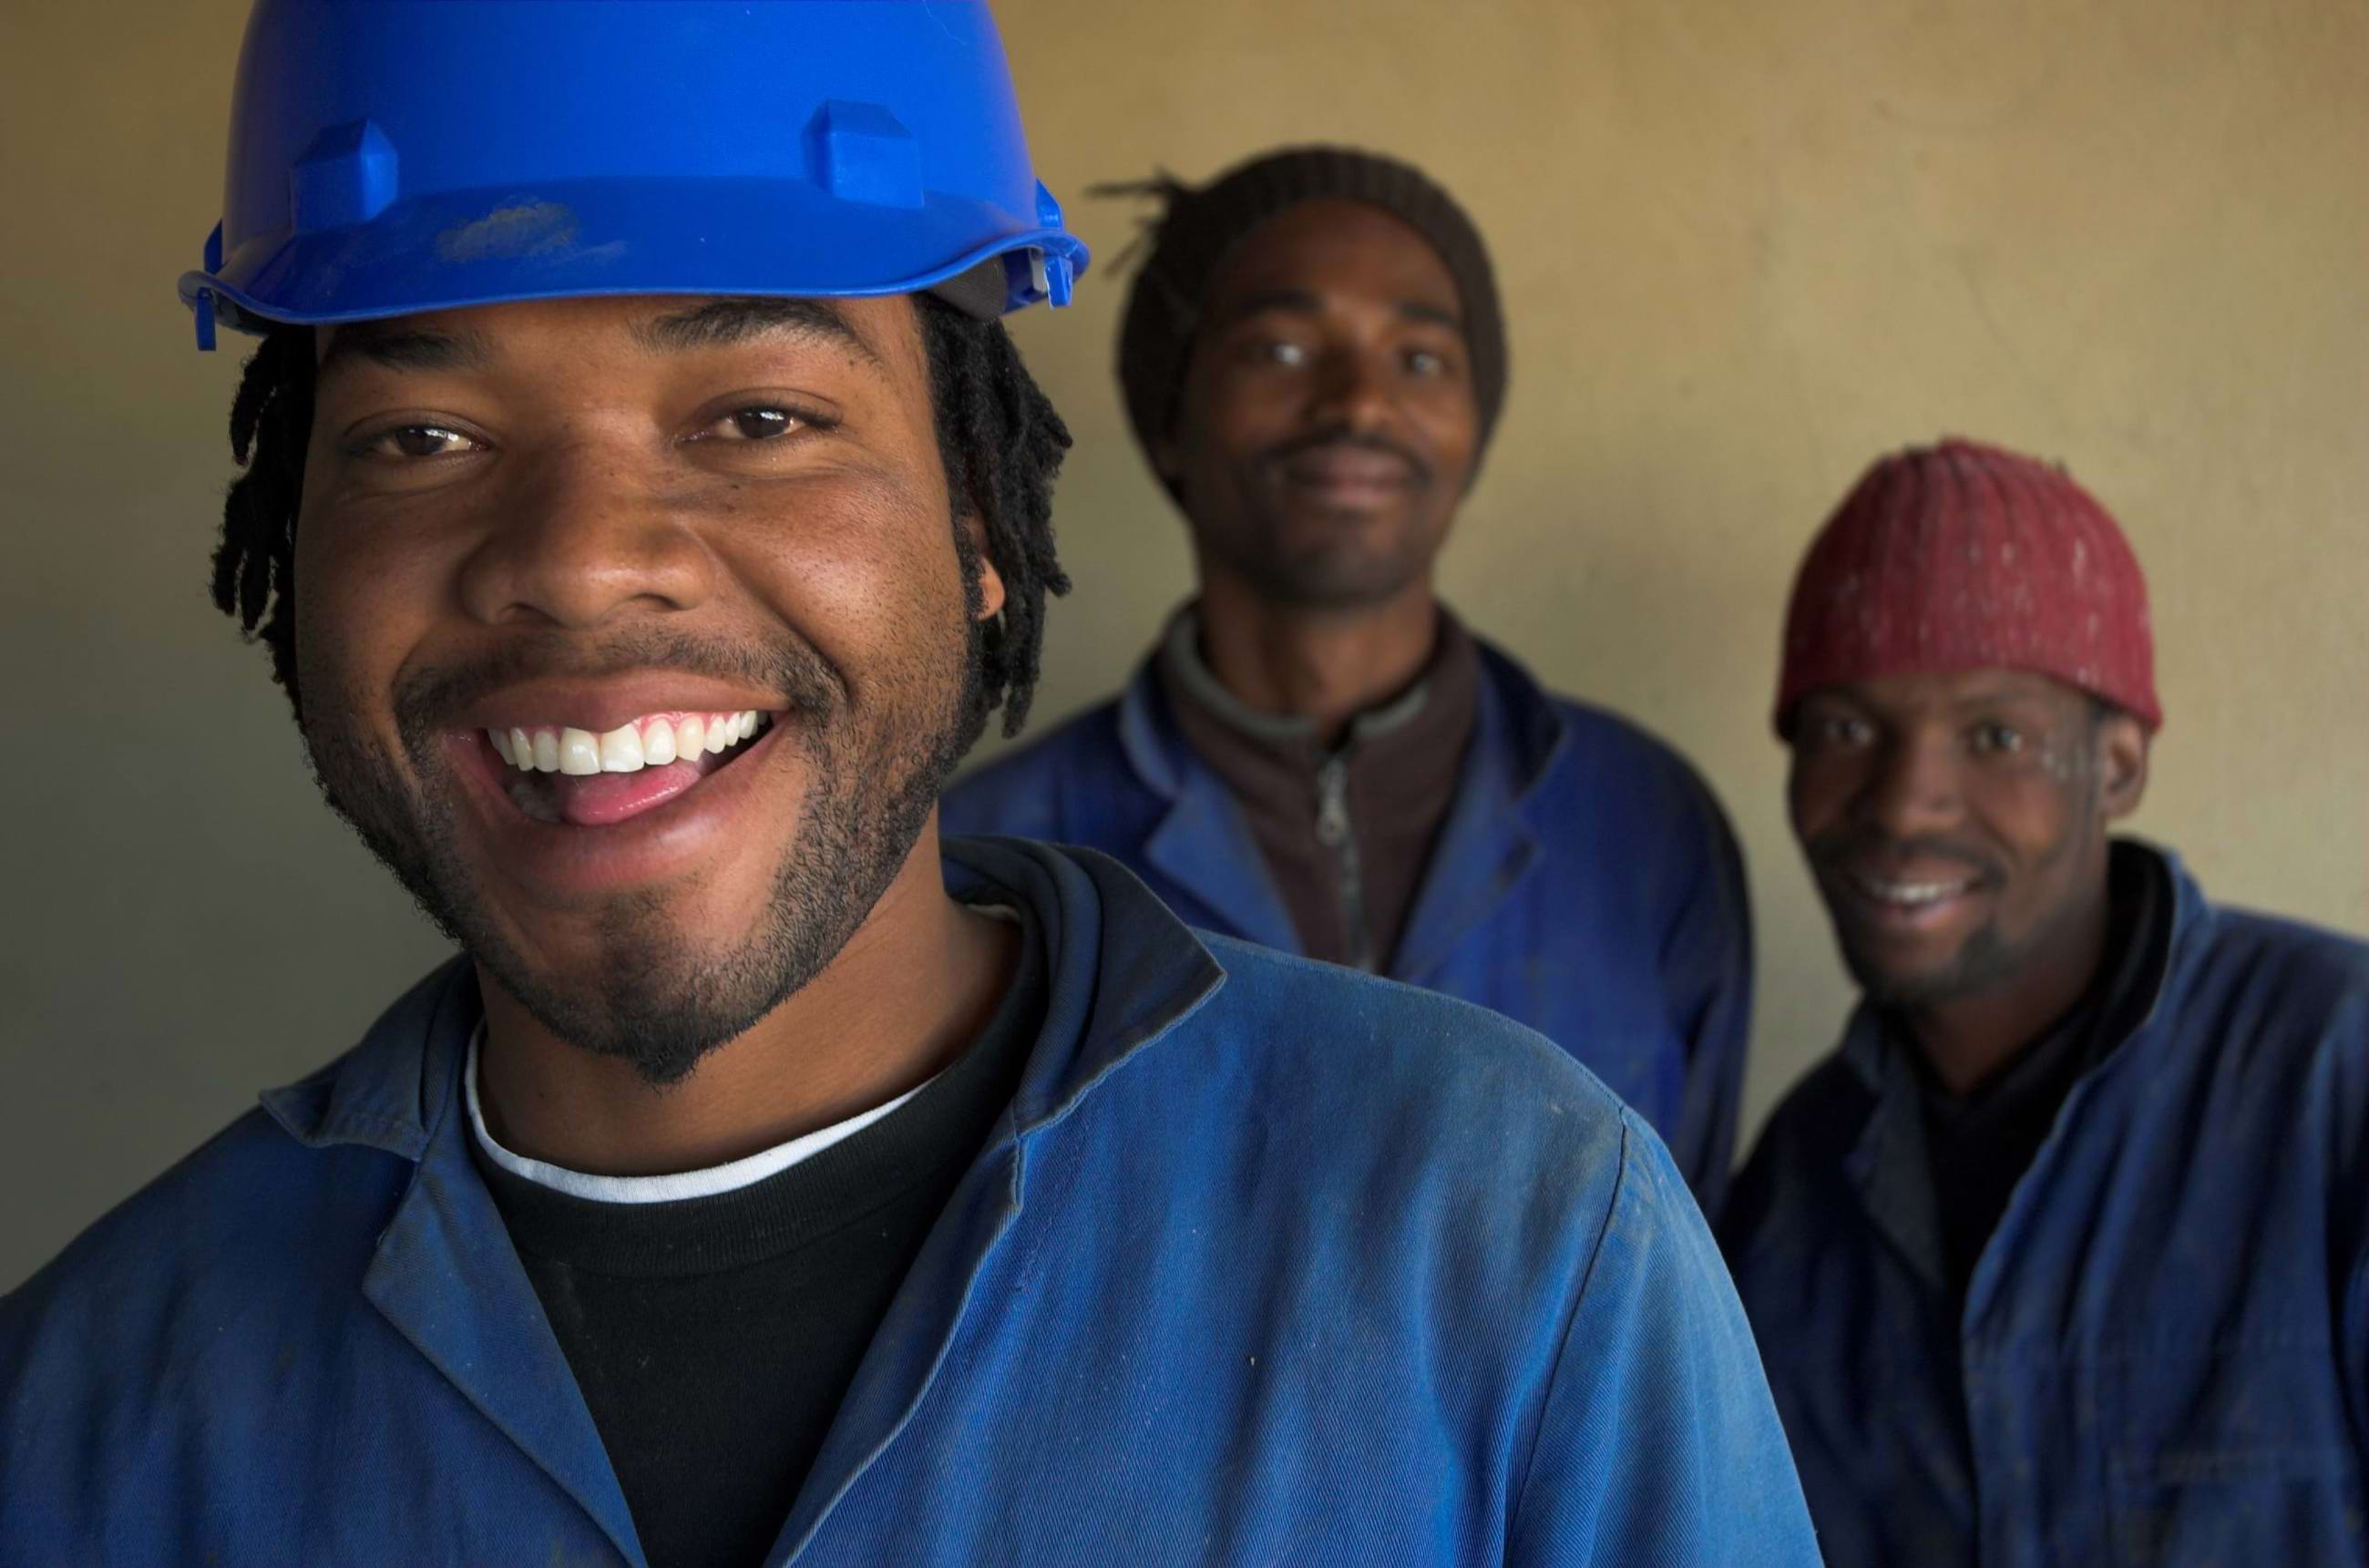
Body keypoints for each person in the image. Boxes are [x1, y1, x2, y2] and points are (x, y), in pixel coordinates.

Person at [0, 5, 1819, 1563]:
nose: (574, 557)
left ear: (978, 531)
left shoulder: (1517, 1246)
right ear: (292, 545)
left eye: (757, 414)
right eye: (424, 435)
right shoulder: (85, 1415)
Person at [940, 147, 1754, 1209]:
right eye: (1279, 347)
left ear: (1475, 422)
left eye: (1418, 358)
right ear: (1170, 419)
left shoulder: (1647, 828)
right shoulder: (990, 861)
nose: (1358, 401)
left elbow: (1685, 1301)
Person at [1719, 436, 2369, 1564]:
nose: (1905, 801)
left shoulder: (2332, 1070)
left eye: (1994, 735)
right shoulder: (1790, 1190)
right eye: (1841, 728)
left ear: (2114, 766)